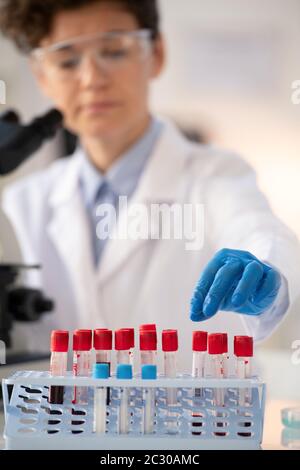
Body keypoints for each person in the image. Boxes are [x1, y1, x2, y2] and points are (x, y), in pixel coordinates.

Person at [0, 0, 299, 369]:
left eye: (113, 51)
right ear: (41, 75)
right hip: (63, 425)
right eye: (67, 61)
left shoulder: (216, 175)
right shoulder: (22, 203)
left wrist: (266, 269)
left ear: (156, 54)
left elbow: (258, 228)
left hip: (195, 423)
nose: (92, 78)